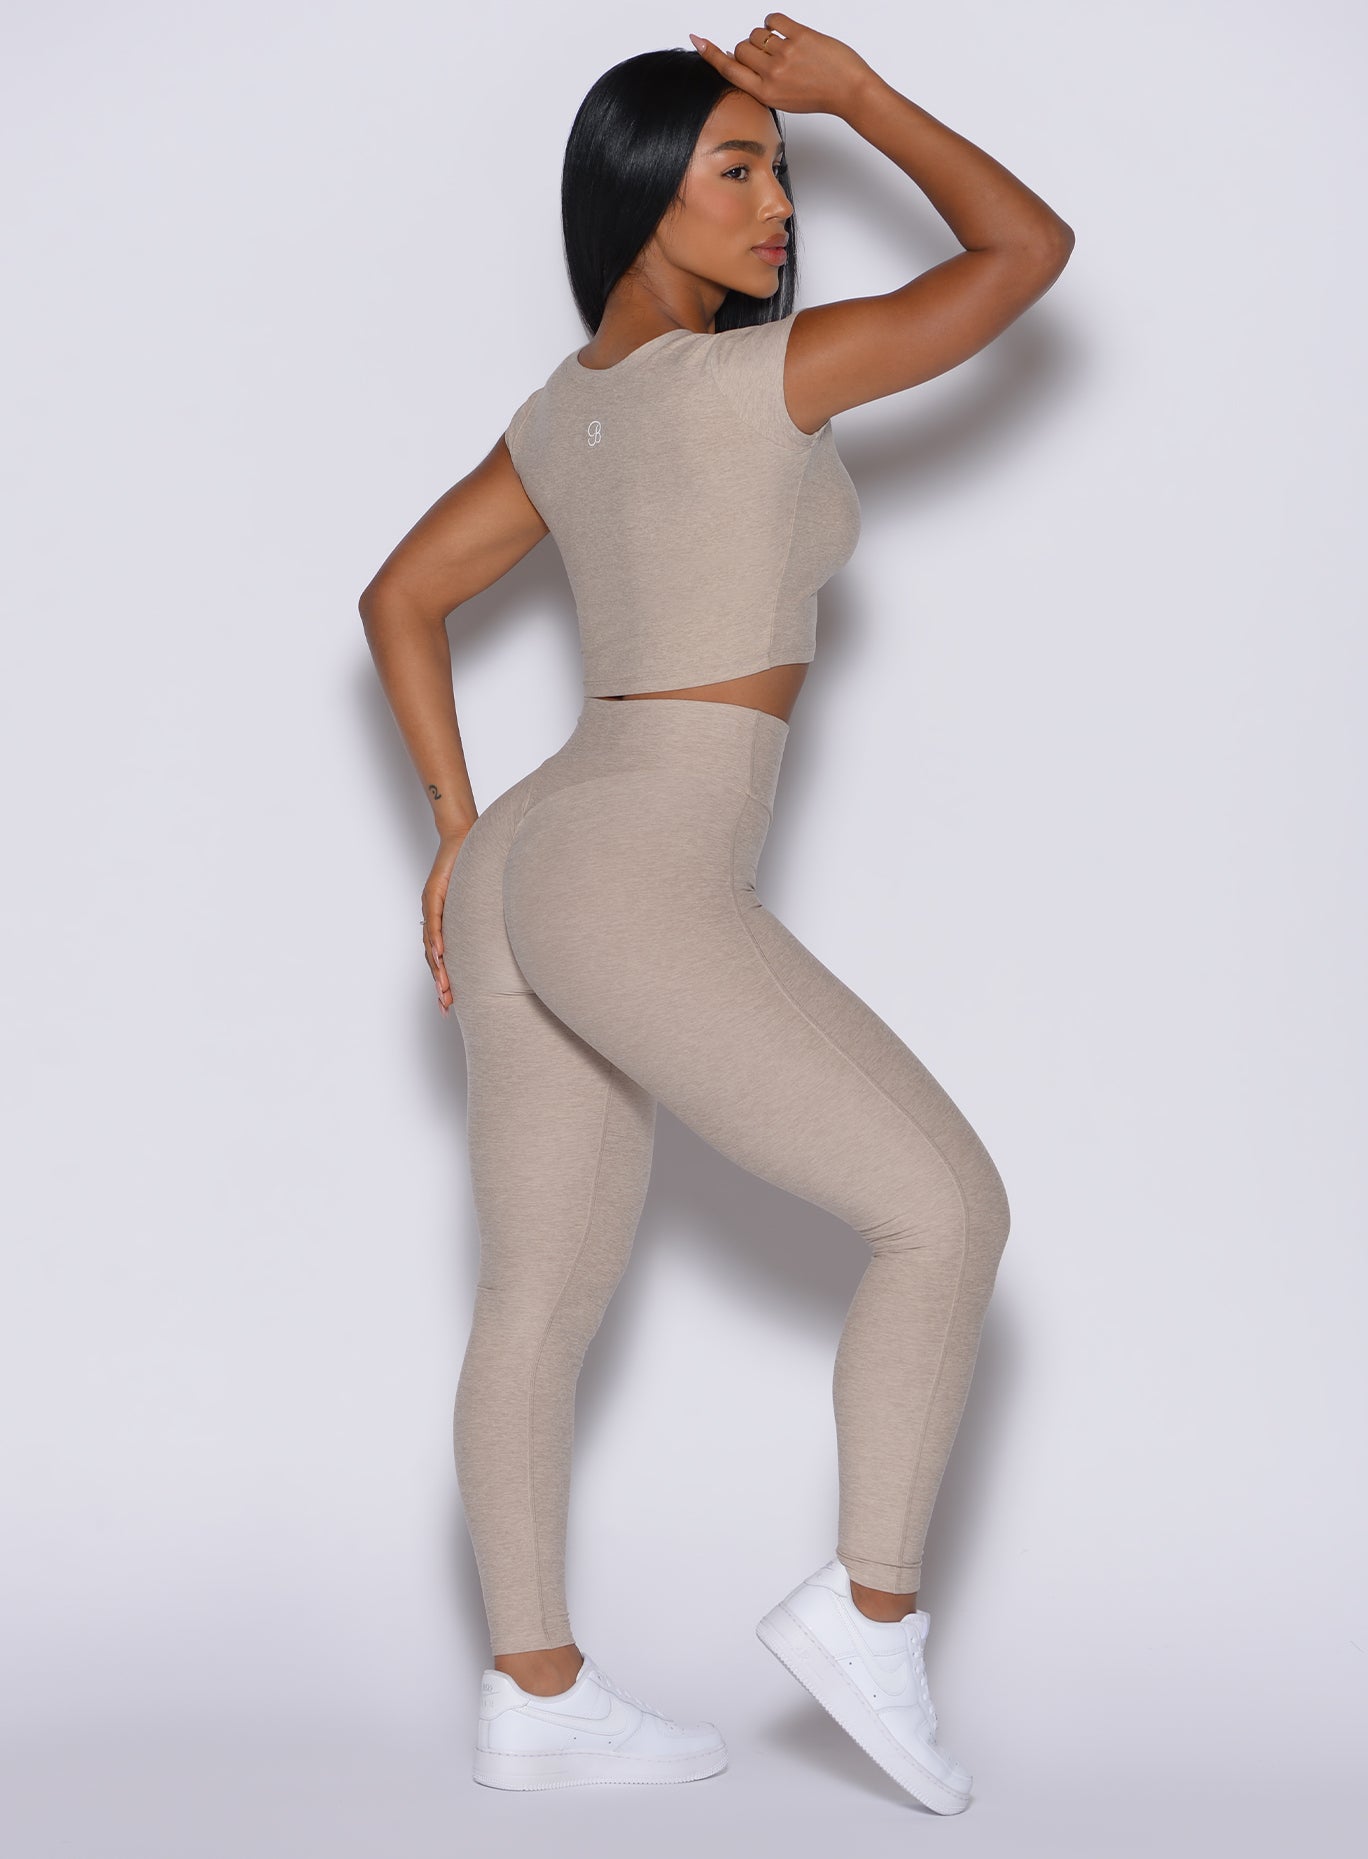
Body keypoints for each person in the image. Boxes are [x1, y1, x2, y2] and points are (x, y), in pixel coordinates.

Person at [359, 13, 1072, 1812]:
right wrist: (861, 94)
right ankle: (871, 1612)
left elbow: (399, 598)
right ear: (638, 195)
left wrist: (457, 834)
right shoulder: (768, 378)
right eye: (739, 168)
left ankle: (536, 1694)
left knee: (534, 1297)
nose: (779, 205)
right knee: (946, 1211)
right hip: (637, 856)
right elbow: (1024, 256)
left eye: (787, 169)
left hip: (537, 851)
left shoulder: (563, 416)